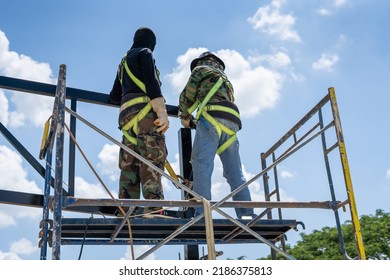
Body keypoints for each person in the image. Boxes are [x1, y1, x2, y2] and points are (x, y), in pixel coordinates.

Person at [178, 51, 255, 219]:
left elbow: (187, 96)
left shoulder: (200, 70)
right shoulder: (225, 79)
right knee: (234, 172)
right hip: (232, 122)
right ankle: (247, 213)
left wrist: (184, 116)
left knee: (202, 164)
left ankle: (202, 214)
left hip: (212, 117)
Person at [109, 27, 169, 218]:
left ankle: (127, 209)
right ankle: (153, 207)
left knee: (130, 163)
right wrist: (161, 111)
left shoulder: (123, 63)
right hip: (145, 114)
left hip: (126, 117)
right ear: (151, 43)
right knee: (152, 158)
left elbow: (114, 96)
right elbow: (152, 83)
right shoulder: (146, 53)